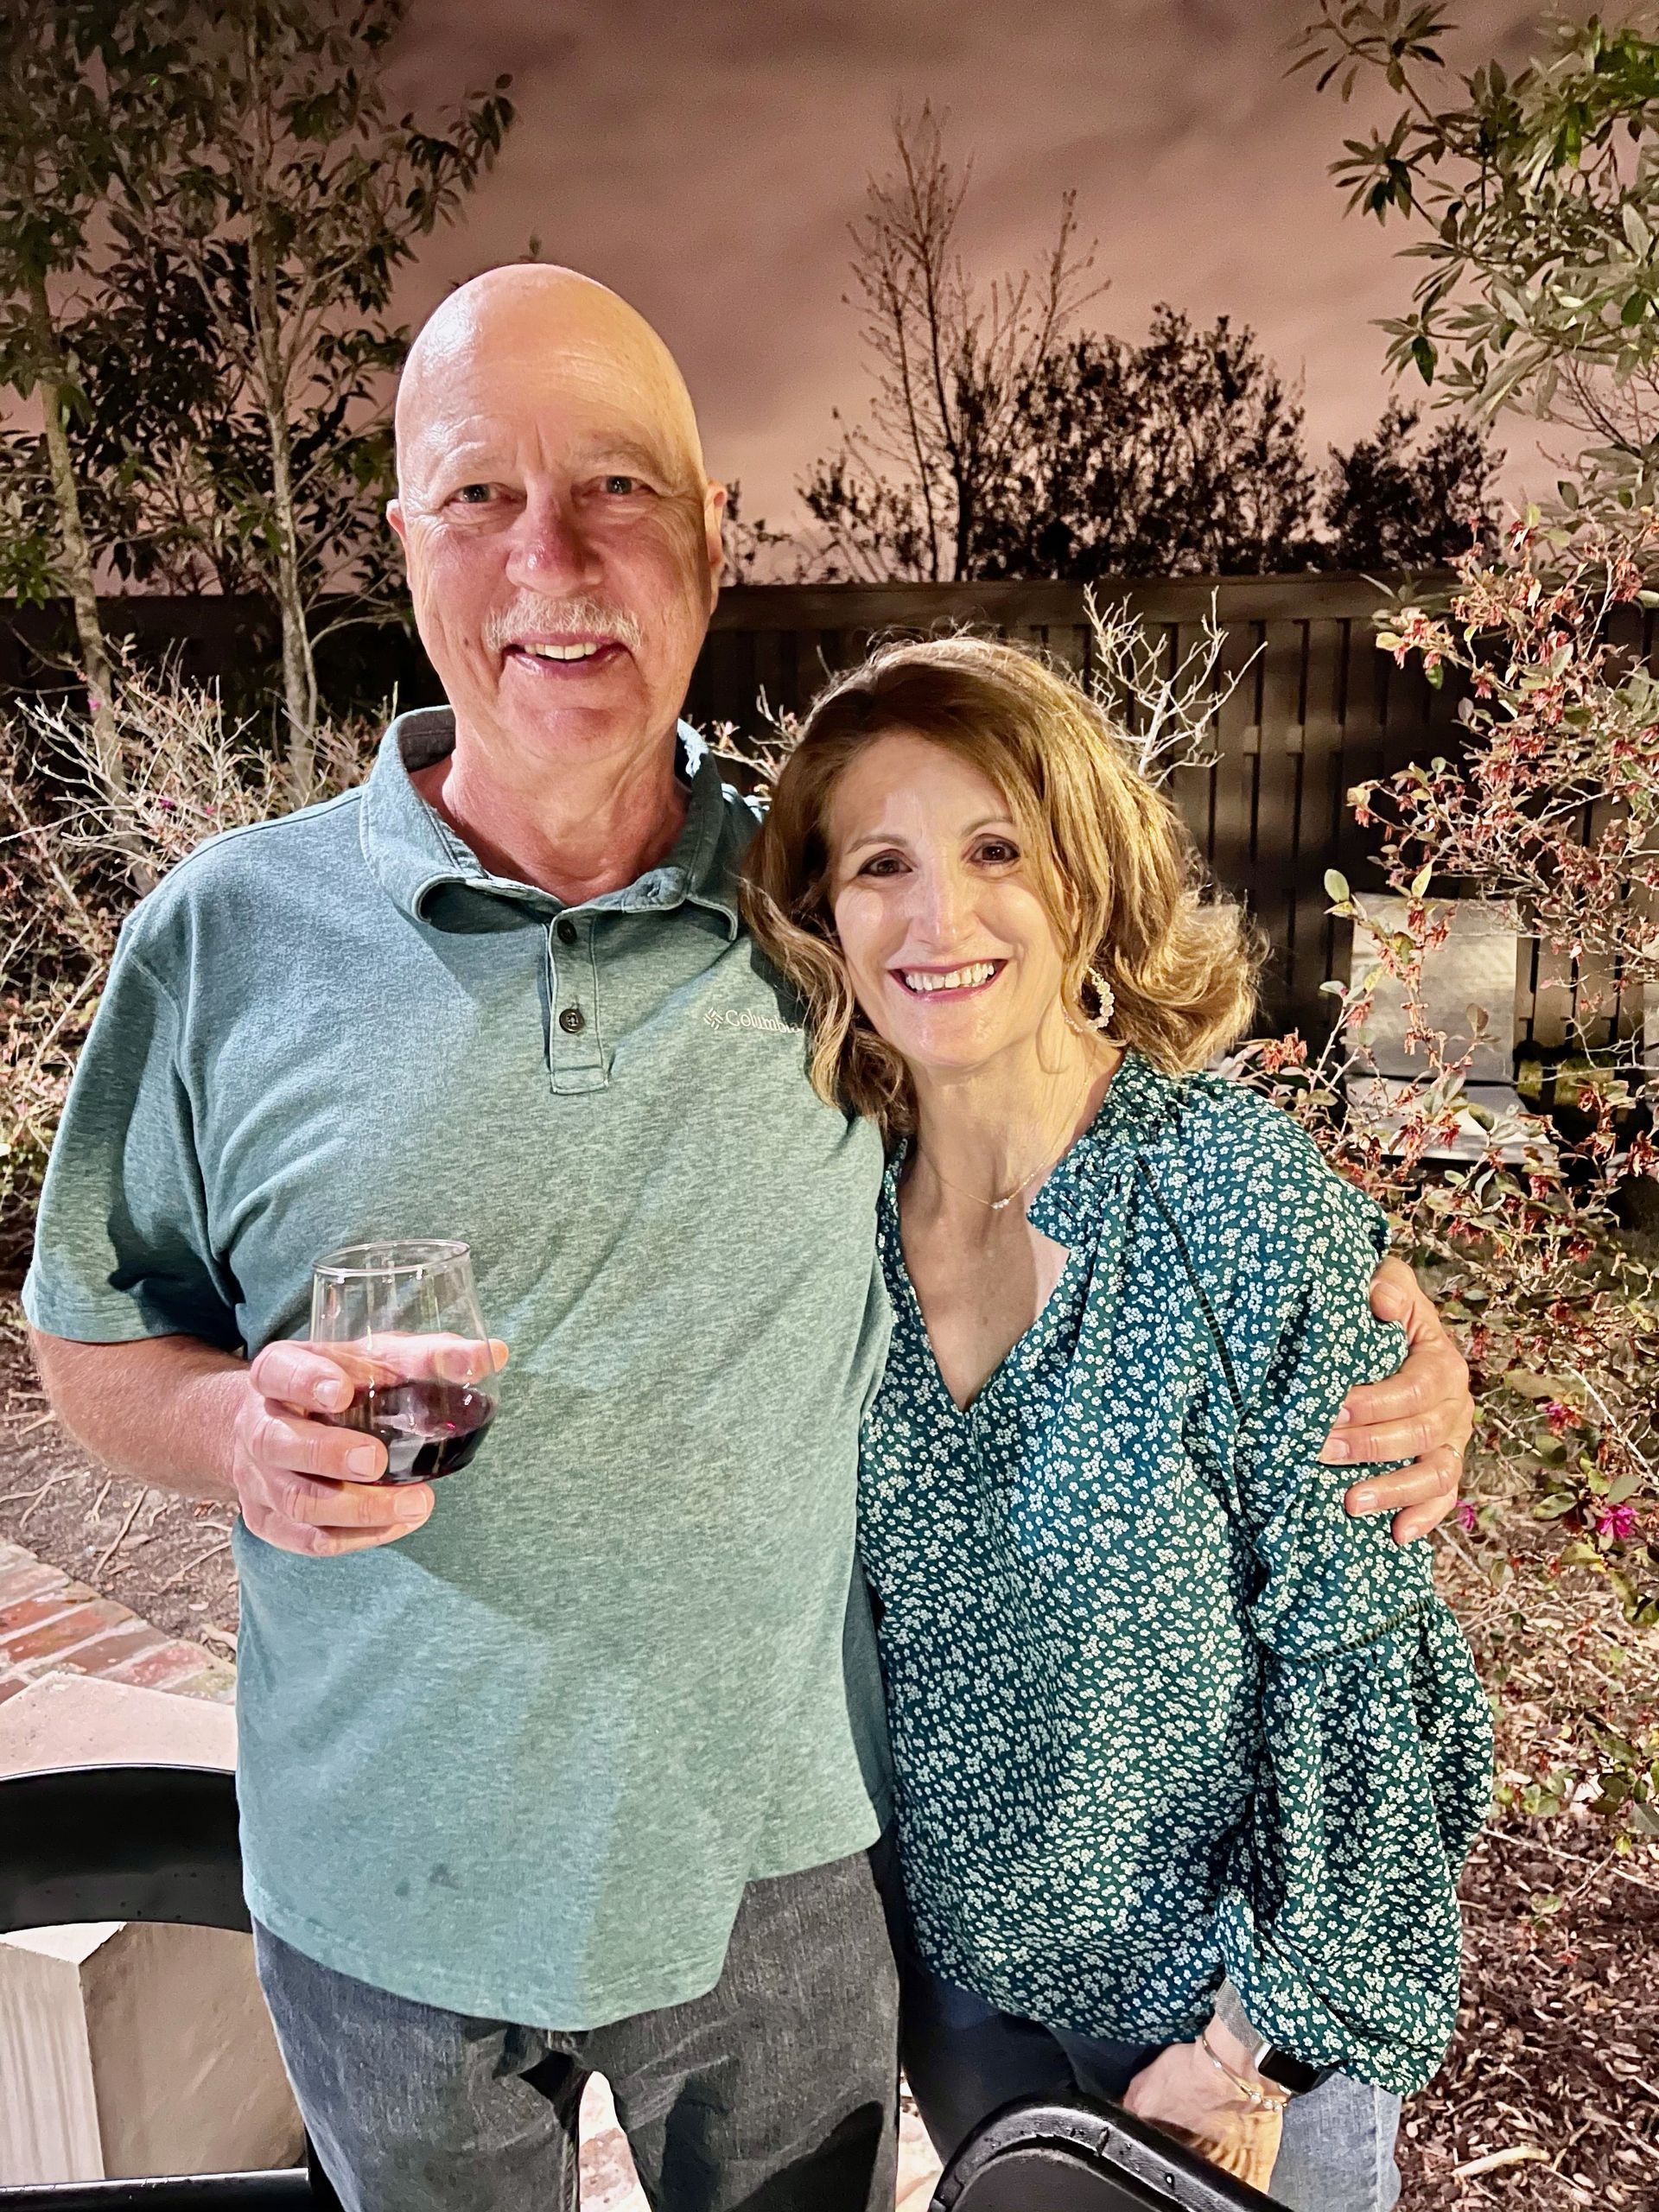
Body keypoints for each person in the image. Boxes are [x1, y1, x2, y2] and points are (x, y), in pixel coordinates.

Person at [24, 266, 1471, 2212]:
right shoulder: (221, 938)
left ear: (714, 543)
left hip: (785, 1895)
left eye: (616, 485)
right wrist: (229, 1435)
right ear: (403, 544)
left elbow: (1129, 1185)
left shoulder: (806, 925)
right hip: (388, 1893)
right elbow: (90, 1347)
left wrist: (1398, 1339)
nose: (550, 555)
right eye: (477, 496)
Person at [741, 633, 1494, 2212]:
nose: (938, 917)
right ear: (825, 916)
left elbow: (1366, 1685)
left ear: (1082, 873)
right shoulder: (834, 1225)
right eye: (881, 863)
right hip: (976, 2020)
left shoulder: (1231, 1201)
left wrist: (1247, 2051)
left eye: (995, 847)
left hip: (1239, 2044)